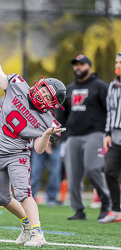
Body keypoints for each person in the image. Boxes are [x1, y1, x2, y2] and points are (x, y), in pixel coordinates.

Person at [0, 33, 66, 247]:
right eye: (44, 90)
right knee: (0, 198)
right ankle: (25, 223)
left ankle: (37, 233)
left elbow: (40, 149)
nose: (43, 95)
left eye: (48, 97)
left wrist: (45, 135)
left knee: (24, 193)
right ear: (39, 84)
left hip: (17, 155)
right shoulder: (17, 85)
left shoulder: (46, 121)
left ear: (51, 104)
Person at [58, 54, 111, 221]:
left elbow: (110, 109)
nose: (77, 68)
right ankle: (78, 210)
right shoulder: (70, 88)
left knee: (93, 168)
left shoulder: (100, 86)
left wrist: (108, 133)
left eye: (81, 64)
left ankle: (106, 203)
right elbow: (62, 114)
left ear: (89, 66)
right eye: (75, 65)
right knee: (73, 175)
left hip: (94, 133)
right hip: (73, 136)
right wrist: (59, 134)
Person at [98, 52, 121, 223]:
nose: (118, 65)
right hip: (115, 137)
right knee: (109, 171)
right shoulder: (112, 86)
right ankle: (116, 210)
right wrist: (107, 134)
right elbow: (110, 112)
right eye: (117, 62)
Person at [30, 140, 62, 207]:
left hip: (55, 145)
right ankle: (29, 198)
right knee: (35, 174)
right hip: (38, 145)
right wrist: (45, 143)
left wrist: (50, 142)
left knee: (54, 174)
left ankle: (51, 199)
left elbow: (64, 130)